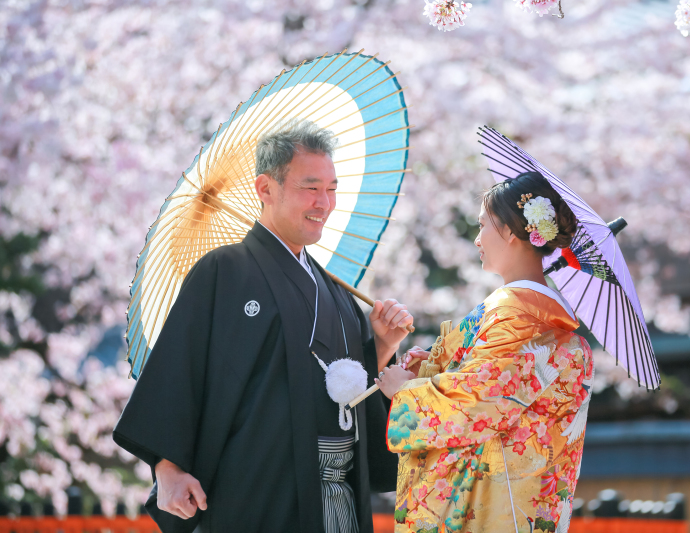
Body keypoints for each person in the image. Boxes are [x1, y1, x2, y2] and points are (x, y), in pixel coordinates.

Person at [113, 119, 413, 533]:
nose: (324, 202)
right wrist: (167, 467)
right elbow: (179, 372)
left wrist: (381, 344)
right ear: (265, 188)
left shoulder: (337, 292)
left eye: (331, 189)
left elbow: (347, 389)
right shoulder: (224, 272)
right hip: (258, 492)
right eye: (310, 188)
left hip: (338, 495)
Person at [376, 171, 594, 533]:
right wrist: (431, 373)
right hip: (523, 502)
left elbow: (478, 400)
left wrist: (405, 392)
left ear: (510, 231)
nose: (477, 239)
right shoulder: (544, 318)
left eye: (483, 226)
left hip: (492, 507)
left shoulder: (516, 315)